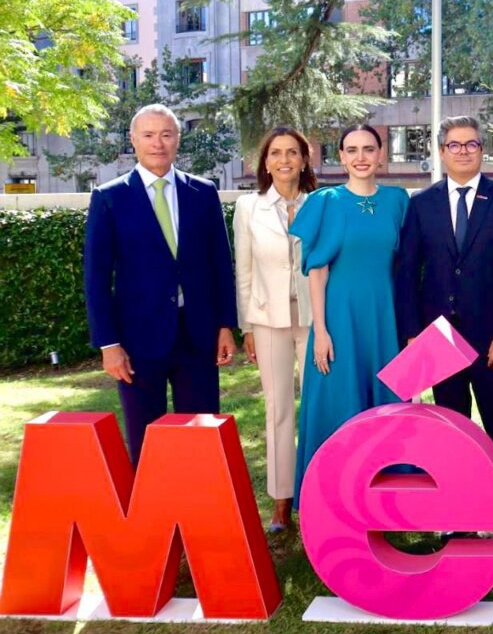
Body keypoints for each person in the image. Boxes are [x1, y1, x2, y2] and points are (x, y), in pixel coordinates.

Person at [395, 116, 493, 542]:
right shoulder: (421, 204)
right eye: (455, 145)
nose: (464, 151)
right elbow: (406, 272)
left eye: (472, 144)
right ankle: (457, 512)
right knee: (450, 429)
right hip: (438, 341)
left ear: (482, 149)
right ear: (441, 151)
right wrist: (414, 332)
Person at [84, 104, 238, 463]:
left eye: (167, 134)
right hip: (137, 343)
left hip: (198, 336)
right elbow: (96, 277)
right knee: (146, 441)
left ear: (178, 140)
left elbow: (220, 264)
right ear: (133, 140)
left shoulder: (203, 192)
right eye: (149, 135)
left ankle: (197, 514)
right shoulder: (109, 197)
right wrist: (108, 344)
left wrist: (225, 325)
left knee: (200, 438)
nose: (158, 143)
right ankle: (153, 519)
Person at [290, 124, 408, 507]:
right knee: (340, 401)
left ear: (380, 154)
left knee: (387, 404)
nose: (361, 157)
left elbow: (405, 262)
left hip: (384, 317)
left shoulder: (397, 200)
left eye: (368, 149)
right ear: (340, 156)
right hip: (339, 318)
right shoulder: (326, 201)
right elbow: (317, 271)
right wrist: (320, 331)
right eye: (352, 150)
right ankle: (333, 498)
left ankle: (391, 499)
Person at [233, 126, 318, 532]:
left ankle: (320, 495)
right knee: (279, 410)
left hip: (315, 321)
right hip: (268, 321)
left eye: (292, 152)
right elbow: (244, 271)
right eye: (275, 153)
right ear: (265, 163)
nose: (284, 160)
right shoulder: (248, 208)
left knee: (319, 410)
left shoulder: (322, 203)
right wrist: (247, 324)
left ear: (305, 159)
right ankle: (282, 501)